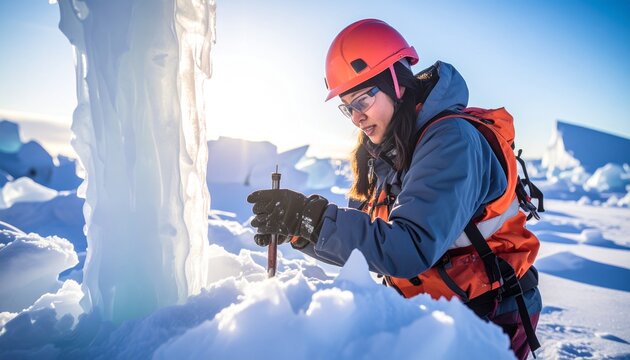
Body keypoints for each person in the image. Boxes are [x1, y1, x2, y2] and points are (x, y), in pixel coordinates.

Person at [247, 19, 542, 360]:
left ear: (396, 84)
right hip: (432, 312)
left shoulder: (451, 141)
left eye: (362, 100)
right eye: (348, 107)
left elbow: (407, 248)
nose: (356, 117)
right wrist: (301, 230)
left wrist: (309, 220)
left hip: (488, 317)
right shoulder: (387, 151)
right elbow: (367, 243)